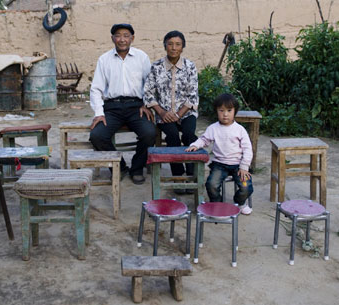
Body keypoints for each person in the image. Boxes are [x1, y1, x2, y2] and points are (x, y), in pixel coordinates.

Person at [89, 23, 157, 184]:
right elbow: (96, 88)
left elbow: (150, 83)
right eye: (118, 35)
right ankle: (119, 167)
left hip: (137, 107)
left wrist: (146, 104)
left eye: (126, 35)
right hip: (112, 108)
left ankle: (137, 168)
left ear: (132, 38)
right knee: (97, 136)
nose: (122, 39)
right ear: (112, 38)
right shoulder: (104, 59)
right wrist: (99, 113)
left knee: (149, 133)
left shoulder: (142, 57)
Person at [143, 30, 199, 179]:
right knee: (172, 136)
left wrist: (179, 114)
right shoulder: (156, 67)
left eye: (178, 44)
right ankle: (178, 175)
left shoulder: (190, 66)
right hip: (164, 114)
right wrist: (161, 112)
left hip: (186, 113)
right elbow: (148, 92)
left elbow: (193, 94)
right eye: (170, 44)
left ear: (183, 47)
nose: (174, 48)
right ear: (165, 46)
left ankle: (192, 174)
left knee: (189, 135)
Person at [186, 93, 253, 214]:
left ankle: (240, 203)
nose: (225, 114)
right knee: (211, 184)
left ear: (235, 111)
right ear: (216, 111)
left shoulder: (240, 130)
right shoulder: (213, 128)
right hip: (219, 164)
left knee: (246, 186)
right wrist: (195, 145)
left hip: (238, 165)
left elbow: (248, 149)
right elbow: (204, 139)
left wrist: (244, 166)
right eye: (221, 110)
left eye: (229, 110)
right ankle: (217, 203)